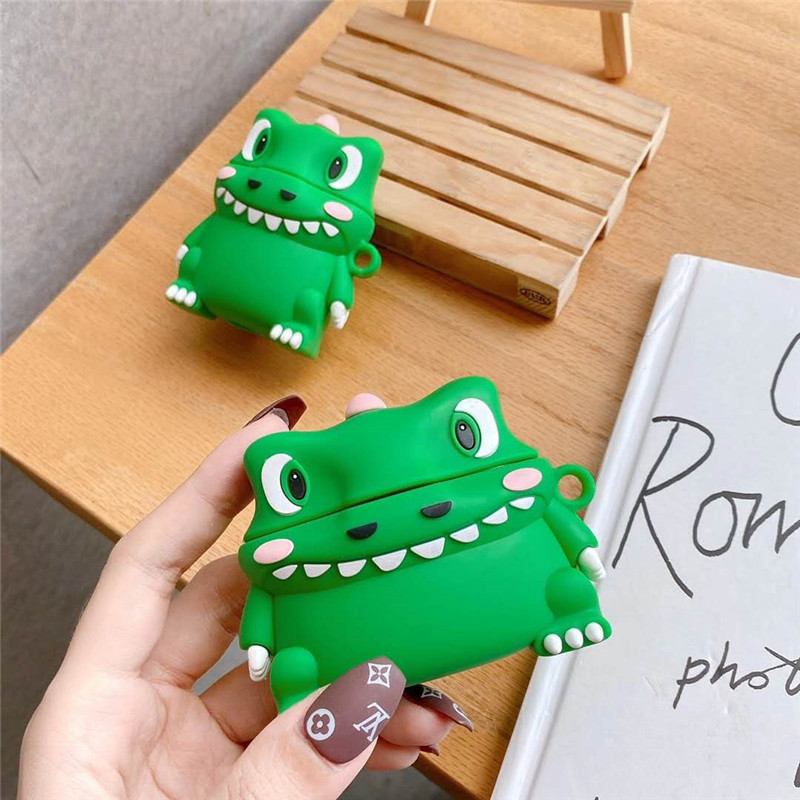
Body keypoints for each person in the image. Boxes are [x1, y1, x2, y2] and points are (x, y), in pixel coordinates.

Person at [18, 399, 469, 799]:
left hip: (375, 630)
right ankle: (299, 709)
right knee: (296, 669)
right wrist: (259, 645)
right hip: (308, 657)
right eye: (293, 485)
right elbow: (264, 601)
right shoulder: (282, 574)